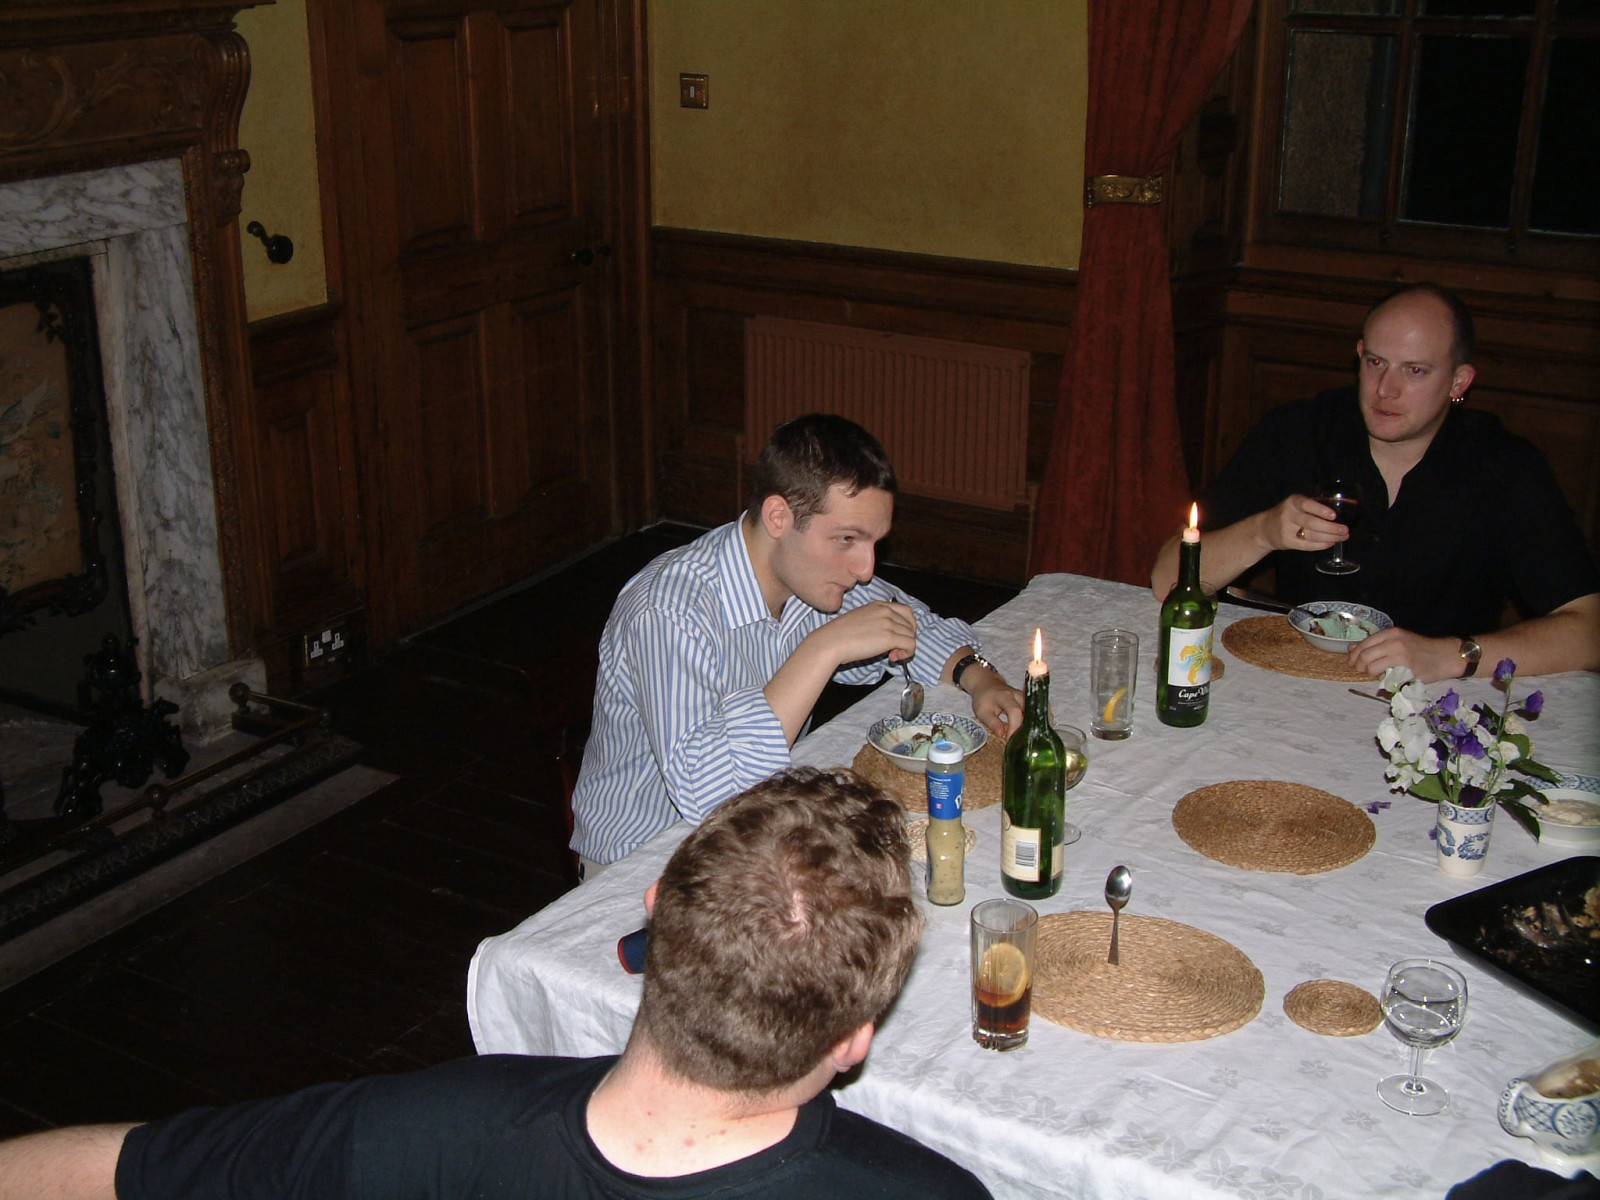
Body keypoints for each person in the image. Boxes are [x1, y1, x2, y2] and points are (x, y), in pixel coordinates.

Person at [0, 767, 993, 1200]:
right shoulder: (927, 1195)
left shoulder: (411, 1132)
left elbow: (129, 1168)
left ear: (653, 912)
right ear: (854, 1038)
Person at [572, 413, 1024, 871]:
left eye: (874, 543)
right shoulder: (669, 612)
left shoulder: (806, 574)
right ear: (778, 517)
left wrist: (978, 677)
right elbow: (710, 796)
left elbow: (909, 623)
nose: (866, 568)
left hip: (755, 831)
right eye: (846, 539)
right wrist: (823, 648)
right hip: (644, 863)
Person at [1150, 282, 1600, 682]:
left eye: (1415, 370)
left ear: (1458, 382)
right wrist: (1262, 532)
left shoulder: (1505, 467)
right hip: (1298, 684)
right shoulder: (1299, 432)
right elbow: (1166, 578)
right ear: (1359, 354)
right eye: (1376, 362)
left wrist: (1452, 656)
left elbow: (1589, 630)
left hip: (1438, 703)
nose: (1386, 388)